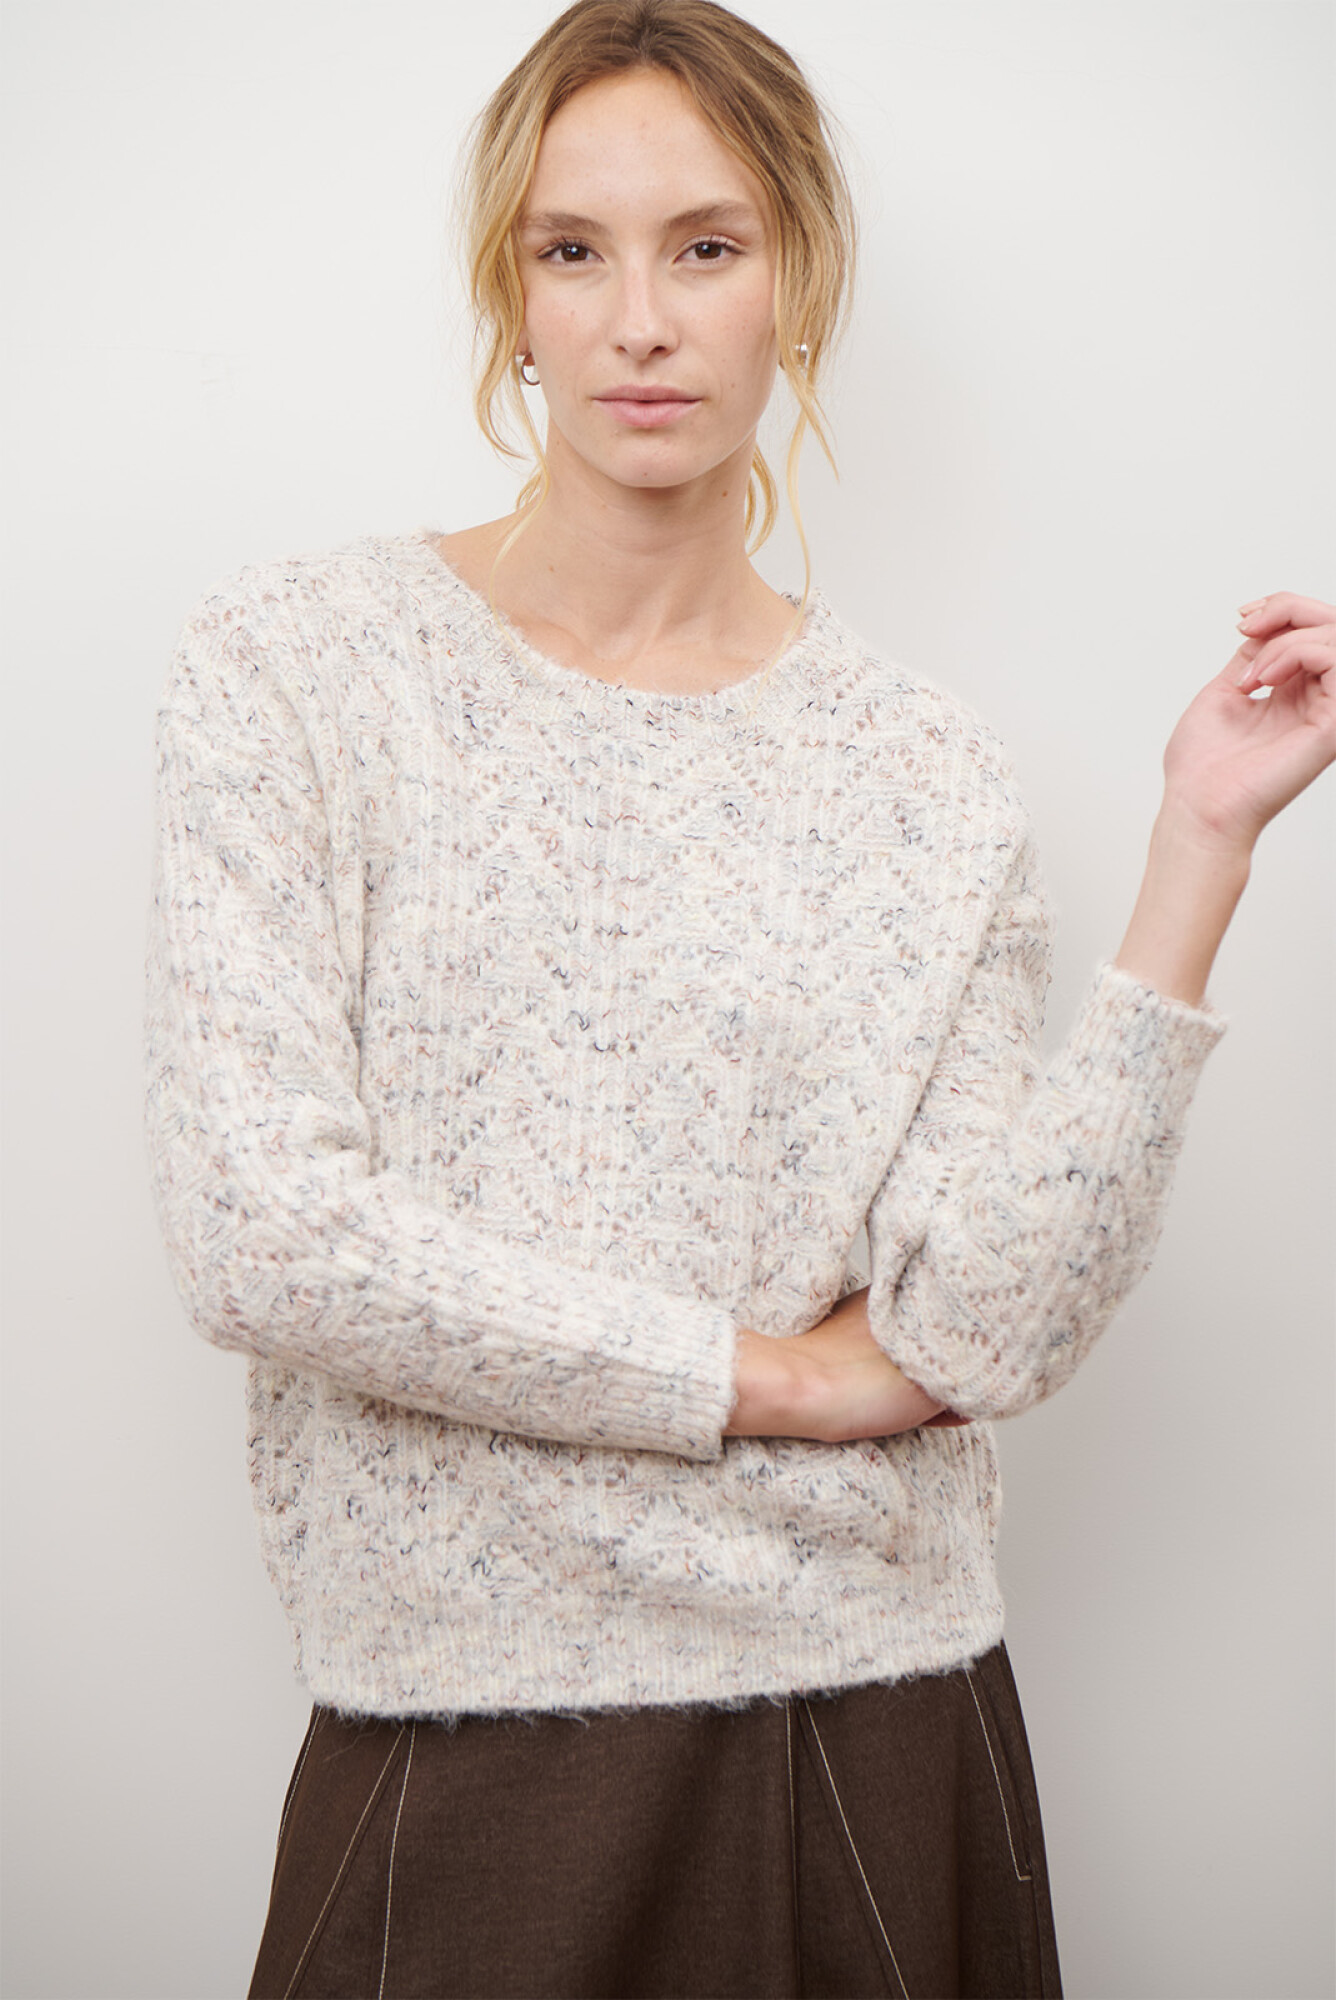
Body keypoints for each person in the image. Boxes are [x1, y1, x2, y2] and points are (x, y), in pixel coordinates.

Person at [143, 3, 1335, 1995]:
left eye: (705, 246)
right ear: (509, 296)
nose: (640, 321)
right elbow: (261, 1232)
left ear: (798, 279)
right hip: (461, 1734)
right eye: (572, 249)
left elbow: (976, 1327)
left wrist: (1198, 850)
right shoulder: (297, 670)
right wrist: (765, 1377)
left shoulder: (919, 769)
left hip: (878, 1724)